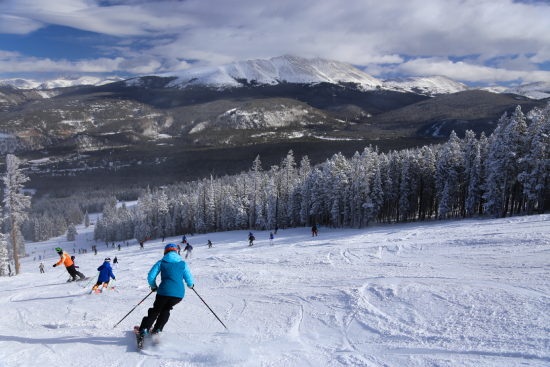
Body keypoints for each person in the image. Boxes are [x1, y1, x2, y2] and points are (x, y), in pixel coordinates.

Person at [137, 244, 193, 345]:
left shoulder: (161, 262)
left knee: (156, 310)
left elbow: (151, 276)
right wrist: (190, 285)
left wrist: (153, 286)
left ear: (165, 252)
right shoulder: (182, 263)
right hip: (178, 295)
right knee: (166, 309)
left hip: (164, 292)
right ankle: (157, 329)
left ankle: (143, 330)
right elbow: (189, 278)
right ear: (176, 252)